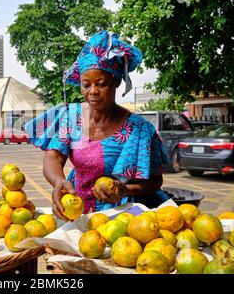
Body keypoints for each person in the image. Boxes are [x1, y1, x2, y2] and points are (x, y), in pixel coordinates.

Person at [25, 31, 170, 221]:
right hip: (78, 211)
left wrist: (124, 189)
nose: (93, 91)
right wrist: (59, 181)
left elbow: (155, 181)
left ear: (116, 82)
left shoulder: (139, 130)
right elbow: (53, 156)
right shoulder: (70, 117)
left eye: (101, 84)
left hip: (127, 217)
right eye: (86, 85)